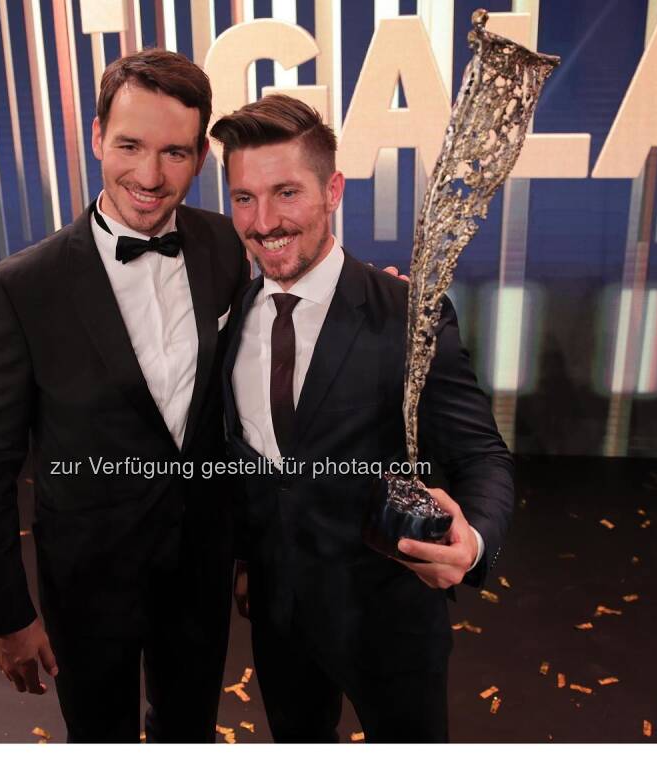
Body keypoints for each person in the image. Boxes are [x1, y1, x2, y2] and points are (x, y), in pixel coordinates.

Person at [0, 49, 249, 743]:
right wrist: (5, 614)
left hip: (200, 568)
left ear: (202, 156)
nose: (150, 177)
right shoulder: (23, 287)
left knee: (190, 735)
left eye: (175, 152)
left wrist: (247, 551)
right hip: (88, 579)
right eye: (129, 145)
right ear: (95, 137)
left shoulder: (227, 246)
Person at [211, 95, 514, 743]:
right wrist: (246, 558)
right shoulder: (235, 311)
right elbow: (253, 460)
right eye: (243, 197)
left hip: (389, 622)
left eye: (286, 192)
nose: (263, 222)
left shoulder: (407, 313)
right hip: (278, 615)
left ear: (334, 191)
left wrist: (473, 540)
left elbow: (483, 455)